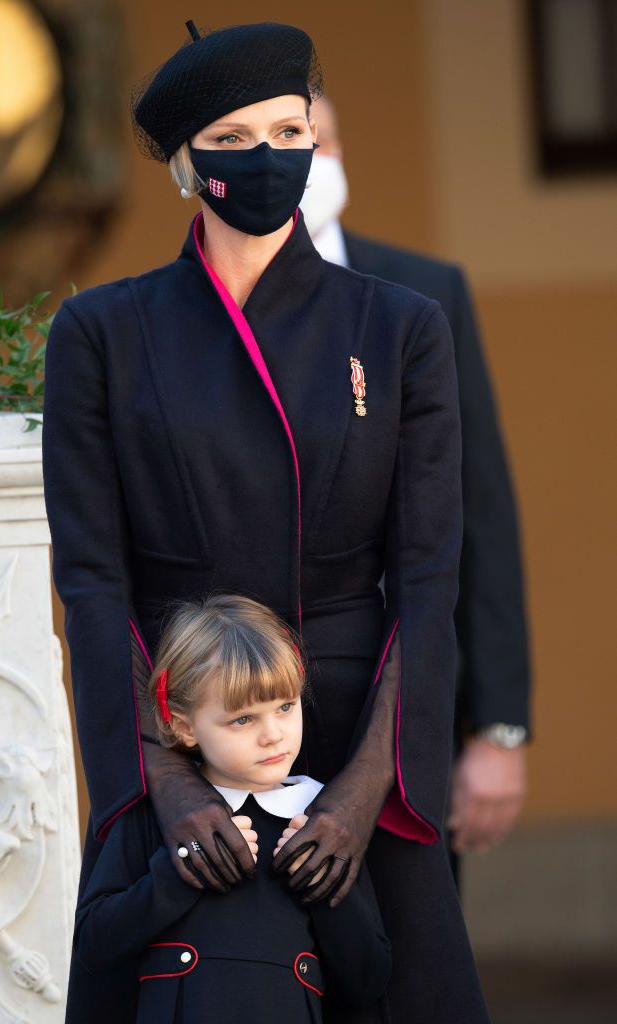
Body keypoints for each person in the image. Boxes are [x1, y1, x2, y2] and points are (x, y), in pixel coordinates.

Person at [43, 20, 491, 1023]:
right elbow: (92, 582)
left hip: (352, 729)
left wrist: (362, 792)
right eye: (234, 140)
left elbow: (426, 582)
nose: (268, 159)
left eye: (289, 132)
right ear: (186, 164)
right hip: (183, 727)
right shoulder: (101, 333)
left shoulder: (399, 326)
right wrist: (166, 782)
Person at [299, 96, 531, 864]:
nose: (299, 162)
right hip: (244, 707)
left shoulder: (424, 295)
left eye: (312, 140)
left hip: (407, 709)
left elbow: (479, 509)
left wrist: (497, 728)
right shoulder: (192, 307)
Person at [73, 594, 391, 1023]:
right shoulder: (155, 814)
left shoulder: (322, 821)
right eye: (243, 719)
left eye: (285, 707)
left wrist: (321, 885)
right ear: (184, 727)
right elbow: (94, 944)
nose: (273, 734)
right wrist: (178, 874)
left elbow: (366, 980)